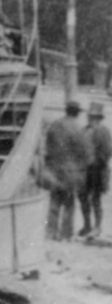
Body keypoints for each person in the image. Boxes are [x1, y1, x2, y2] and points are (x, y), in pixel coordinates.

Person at [45, 100, 93, 241]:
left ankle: (51, 232)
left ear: (66, 111)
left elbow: (47, 148)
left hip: (55, 170)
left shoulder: (54, 125)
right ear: (77, 113)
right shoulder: (78, 129)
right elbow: (86, 154)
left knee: (54, 202)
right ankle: (66, 234)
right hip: (71, 172)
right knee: (69, 203)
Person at [78, 102, 112, 238]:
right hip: (84, 171)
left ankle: (97, 227)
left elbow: (107, 152)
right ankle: (87, 225)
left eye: (94, 116)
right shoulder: (84, 130)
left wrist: (96, 161)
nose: (91, 118)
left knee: (96, 199)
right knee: (83, 197)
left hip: (98, 171)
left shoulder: (104, 132)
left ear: (99, 117)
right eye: (90, 116)